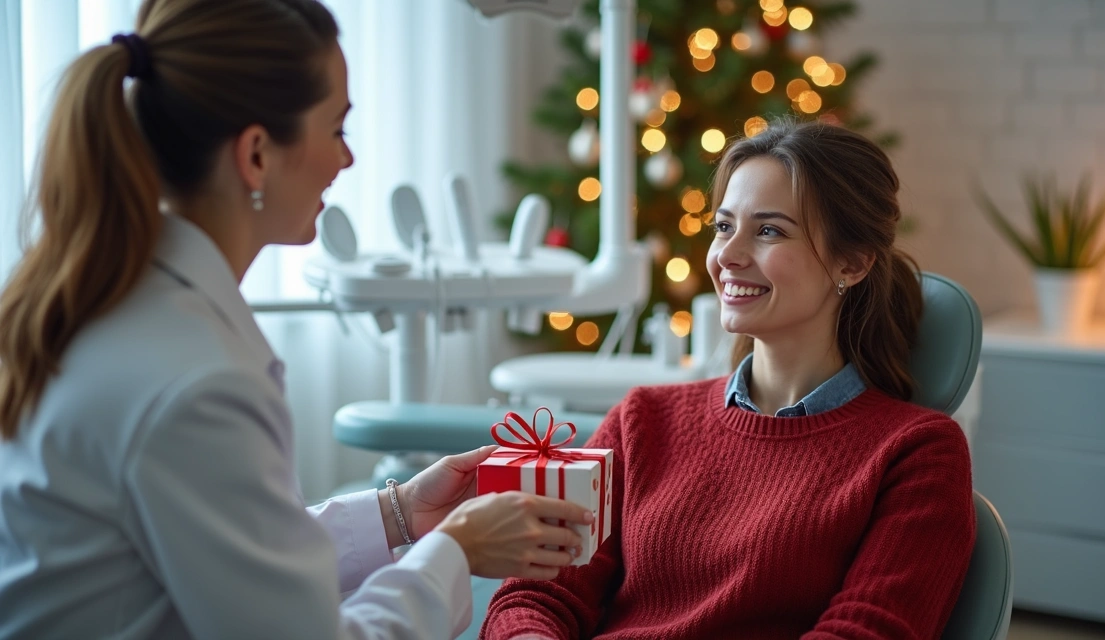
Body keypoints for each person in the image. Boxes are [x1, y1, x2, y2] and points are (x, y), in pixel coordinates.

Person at [0, 1, 593, 638]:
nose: (348, 161)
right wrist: (455, 551)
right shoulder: (196, 382)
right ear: (256, 154)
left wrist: (399, 515)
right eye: (337, 129)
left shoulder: (118, 301)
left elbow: (230, 555)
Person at [481, 118, 977, 639]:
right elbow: (539, 591)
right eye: (723, 227)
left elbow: (867, 632)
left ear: (850, 263)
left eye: (768, 231)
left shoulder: (917, 453)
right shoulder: (642, 419)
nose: (727, 257)